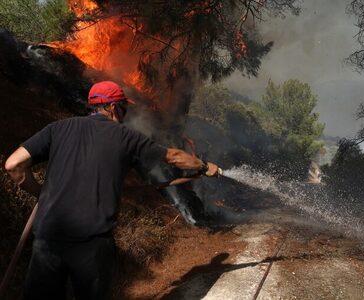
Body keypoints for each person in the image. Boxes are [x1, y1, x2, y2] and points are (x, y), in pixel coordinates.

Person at [5, 81, 219, 300]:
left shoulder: (57, 128)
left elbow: (13, 164)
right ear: (114, 108)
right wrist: (203, 166)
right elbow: (173, 156)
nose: (125, 113)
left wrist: (40, 192)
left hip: (48, 238)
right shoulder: (126, 137)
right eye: (124, 108)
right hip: (91, 244)